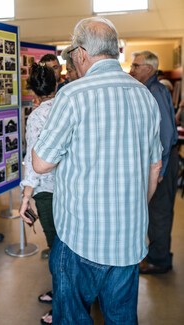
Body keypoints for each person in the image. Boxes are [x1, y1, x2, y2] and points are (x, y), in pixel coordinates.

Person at [31, 17, 162, 324]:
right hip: (128, 240)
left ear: (82, 53)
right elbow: (155, 167)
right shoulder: (146, 95)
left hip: (80, 239)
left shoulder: (73, 95)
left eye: (74, 52)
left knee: (73, 317)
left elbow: (41, 163)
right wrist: (135, 208)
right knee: (121, 318)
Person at [130, 51, 179, 274]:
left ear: (148, 69)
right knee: (156, 212)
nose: (132, 70)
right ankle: (157, 255)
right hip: (160, 163)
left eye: (136, 65)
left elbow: (166, 136)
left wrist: (159, 170)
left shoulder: (154, 92)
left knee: (159, 213)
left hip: (162, 165)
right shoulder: (149, 90)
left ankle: (158, 261)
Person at [19, 62, 57, 325]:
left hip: (47, 191)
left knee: (57, 250)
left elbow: (34, 160)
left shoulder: (36, 117)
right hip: (72, 188)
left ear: (33, 91)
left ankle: (63, 306)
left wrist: (25, 197)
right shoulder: (67, 108)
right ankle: (66, 295)